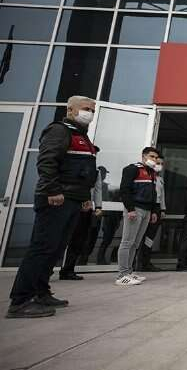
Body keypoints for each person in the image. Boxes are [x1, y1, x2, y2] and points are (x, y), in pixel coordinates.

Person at [6, 96, 98, 318]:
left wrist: (85, 197)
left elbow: (84, 172)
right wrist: (52, 190)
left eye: (92, 110)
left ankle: (41, 292)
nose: (90, 113)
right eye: (86, 108)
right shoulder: (59, 131)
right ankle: (20, 301)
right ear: (71, 109)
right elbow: (47, 162)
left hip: (73, 199)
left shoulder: (81, 136)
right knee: (43, 247)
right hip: (57, 198)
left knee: (56, 248)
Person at [116, 147, 160, 286]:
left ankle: (129, 272)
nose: (154, 159)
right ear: (144, 156)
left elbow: (153, 194)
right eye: (152, 156)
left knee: (135, 243)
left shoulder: (152, 173)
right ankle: (122, 275)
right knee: (127, 242)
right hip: (135, 209)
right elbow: (124, 190)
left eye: (156, 158)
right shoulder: (132, 169)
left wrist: (153, 211)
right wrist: (130, 209)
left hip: (146, 210)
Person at [59, 161, 103, 280]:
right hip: (68, 205)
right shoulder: (71, 165)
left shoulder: (96, 171)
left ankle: (68, 270)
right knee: (61, 238)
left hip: (85, 208)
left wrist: (98, 206)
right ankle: (46, 270)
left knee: (78, 240)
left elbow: (98, 189)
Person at [137, 156, 166, 272]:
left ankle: (146, 262)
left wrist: (162, 209)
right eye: (158, 163)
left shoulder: (160, 179)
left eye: (162, 164)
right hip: (146, 205)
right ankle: (136, 262)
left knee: (150, 237)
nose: (160, 166)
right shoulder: (147, 176)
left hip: (157, 208)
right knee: (139, 235)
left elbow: (162, 196)